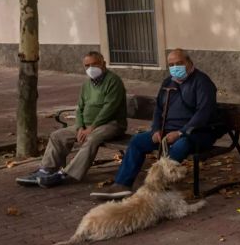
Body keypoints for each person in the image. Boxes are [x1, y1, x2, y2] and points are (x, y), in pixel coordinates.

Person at [91, 48, 219, 200]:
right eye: (171, 64)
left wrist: (180, 133)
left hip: (196, 132)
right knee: (138, 141)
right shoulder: (168, 82)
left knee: (180, 145)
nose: (175, 67)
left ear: (189, 62)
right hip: (167, 130)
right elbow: (158, 109)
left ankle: (156, 188)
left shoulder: (202, 82)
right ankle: (122, 185)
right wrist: (156, 129)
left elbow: (203, 113)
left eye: (179, 63)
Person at [16, 51, 127, 188]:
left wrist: (91, 128)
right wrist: (80, 126)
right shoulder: (86, 84)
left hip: (111, 124)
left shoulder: (113, 81)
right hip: (86, 126)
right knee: (57, 136)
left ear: (103, 64)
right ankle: (46, 170)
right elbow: (80, 108)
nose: (91, 68)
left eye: (94, 64)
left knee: (92, 138)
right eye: (87, 65)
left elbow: (109, 108)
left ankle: (65, 174)